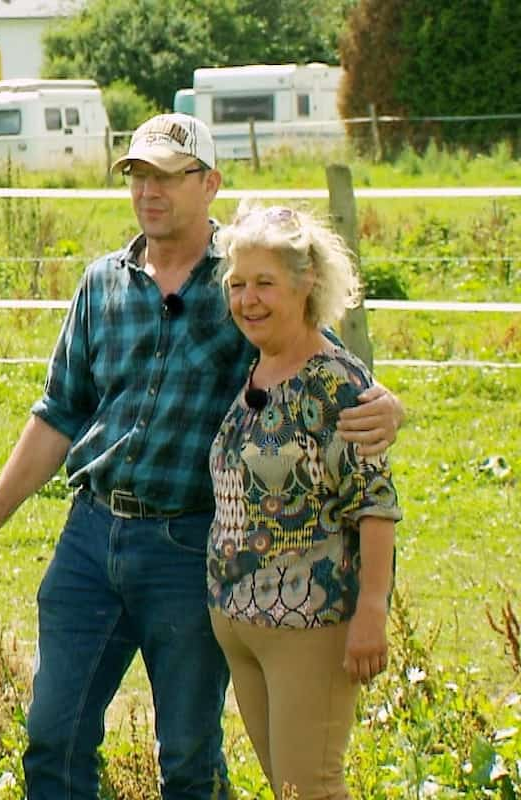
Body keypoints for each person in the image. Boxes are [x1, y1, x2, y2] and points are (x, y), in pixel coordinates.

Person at [0, 113, 403, 800]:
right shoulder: (103, 284)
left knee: (187, 754)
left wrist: (386, 401)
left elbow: (316, 355)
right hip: (90, 538)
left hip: (189, 544)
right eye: (137, 175)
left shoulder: (244, 280)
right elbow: (58, 412)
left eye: (167, 176)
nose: (149, 191)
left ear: (210, 183)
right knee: (53, 734)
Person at [207, 202, 401, 798]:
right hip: (241, 618)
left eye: (265, 283)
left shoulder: (337, 384)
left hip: (310, 622)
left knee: (311, 786)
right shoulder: (258, 367)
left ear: (305, 282)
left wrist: (372, 608)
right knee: (286, 786)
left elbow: (375, 501)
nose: (249, 300)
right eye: (238, 285)